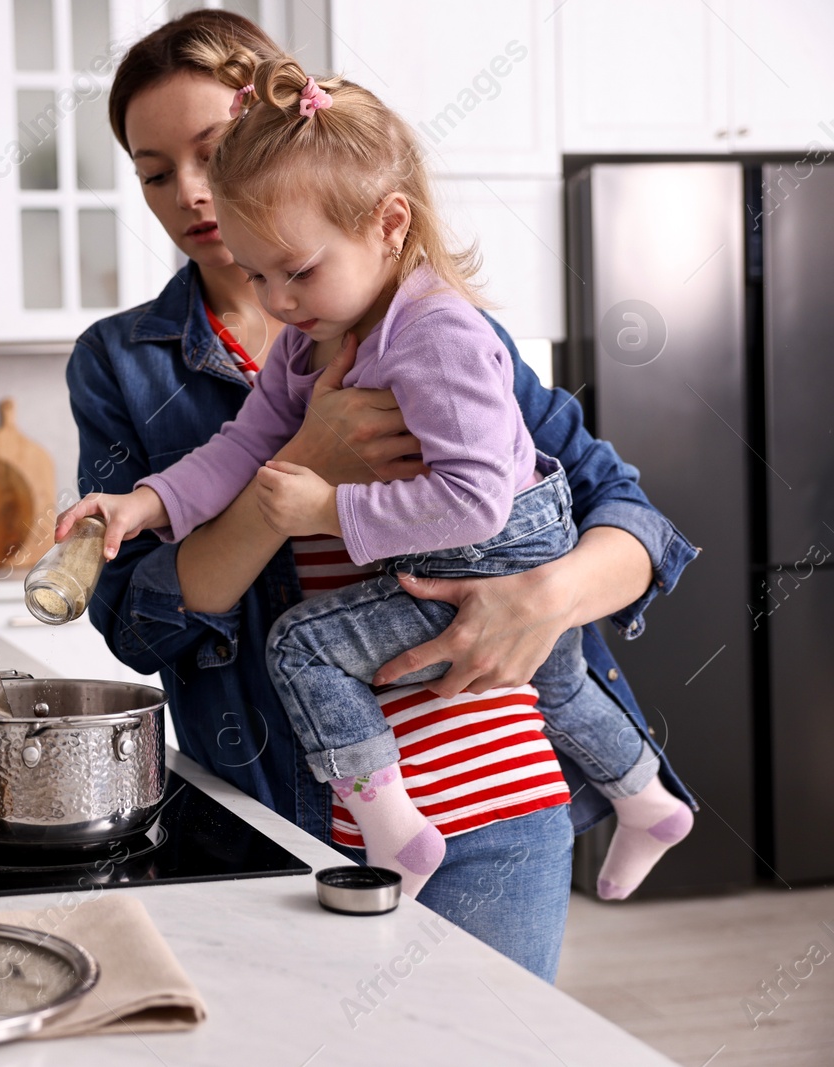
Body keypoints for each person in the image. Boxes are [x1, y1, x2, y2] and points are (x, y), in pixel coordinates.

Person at [62, 9, 697, 980]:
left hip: (494, 794)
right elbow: (140, 626)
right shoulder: (141, 359)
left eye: (213, 149)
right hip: (281, 817)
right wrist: (168, 497)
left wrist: (540, 601)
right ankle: (639, 791)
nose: (190, 190)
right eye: (154, 169)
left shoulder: (439, 326)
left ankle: (640, 789)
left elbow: (627, 513)